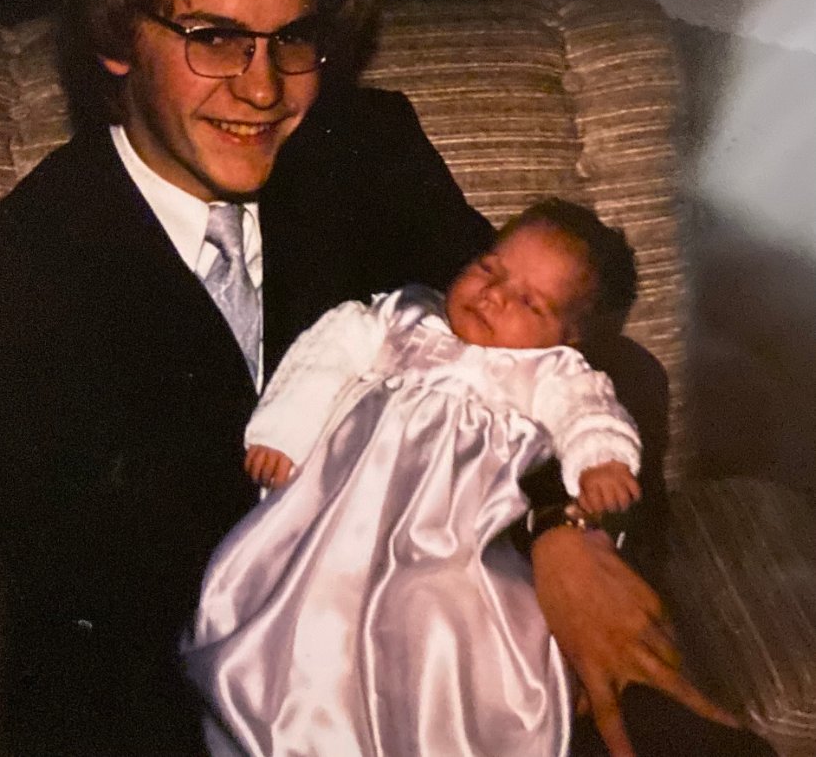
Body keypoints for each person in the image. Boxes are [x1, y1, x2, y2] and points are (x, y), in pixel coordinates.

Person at [0, 0, 759, 755]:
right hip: (202, 694)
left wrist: (564, 530)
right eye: (215, 39)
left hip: (469, 640)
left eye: (292, 40)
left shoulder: (366, 150)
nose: (263, 89)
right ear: (115, 41)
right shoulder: (6, 280)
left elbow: (574, 355)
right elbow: (104, 598)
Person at [183, 199, 645, 756]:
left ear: (568, 338)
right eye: (489, 269)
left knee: (440, 633)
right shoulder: (404, 315)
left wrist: (603, 461)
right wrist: (284, 428)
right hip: (337, 514)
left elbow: (591, 414)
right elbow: (326, 354)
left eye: (529, 302)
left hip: (452, 541)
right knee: (302, 620)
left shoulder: (551, 372)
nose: (494, 294)